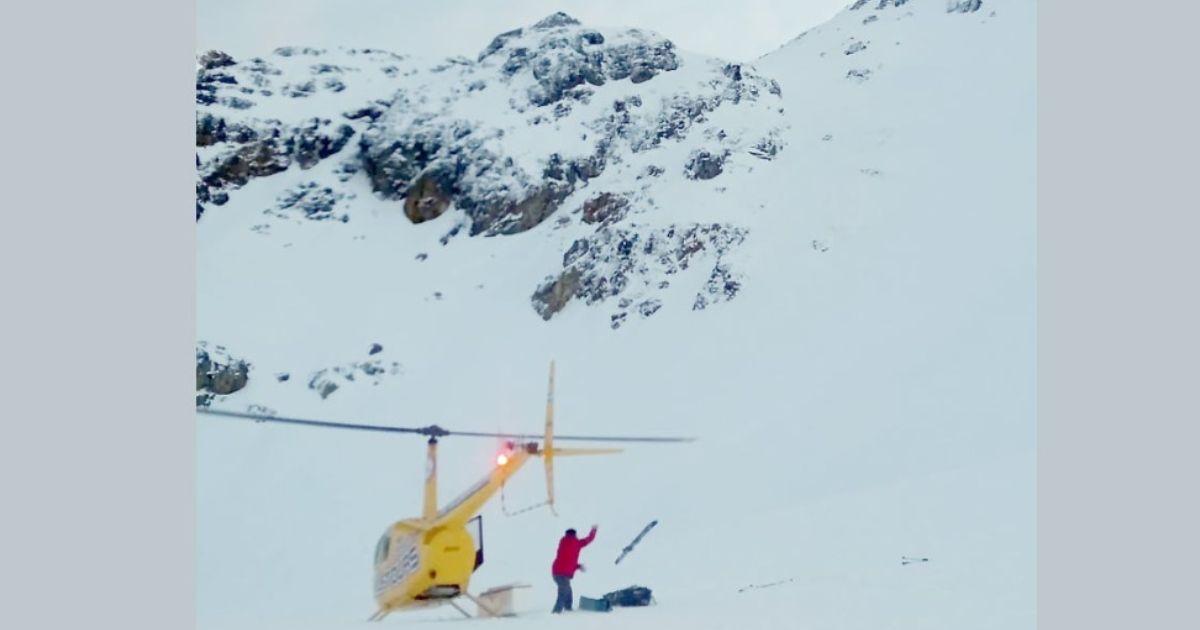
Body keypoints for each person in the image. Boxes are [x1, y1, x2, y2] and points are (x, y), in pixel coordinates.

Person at [550, 525, 597, 613]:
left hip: (556, 571)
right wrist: (593, 530)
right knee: (563, 592)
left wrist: (578, 566)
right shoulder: (576, 543)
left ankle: (568, 608)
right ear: (574, 535)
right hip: (562, 573)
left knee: (567, 590)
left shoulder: (563, 542)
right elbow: (588, 539)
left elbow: (568, 561)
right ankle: (556, 612)